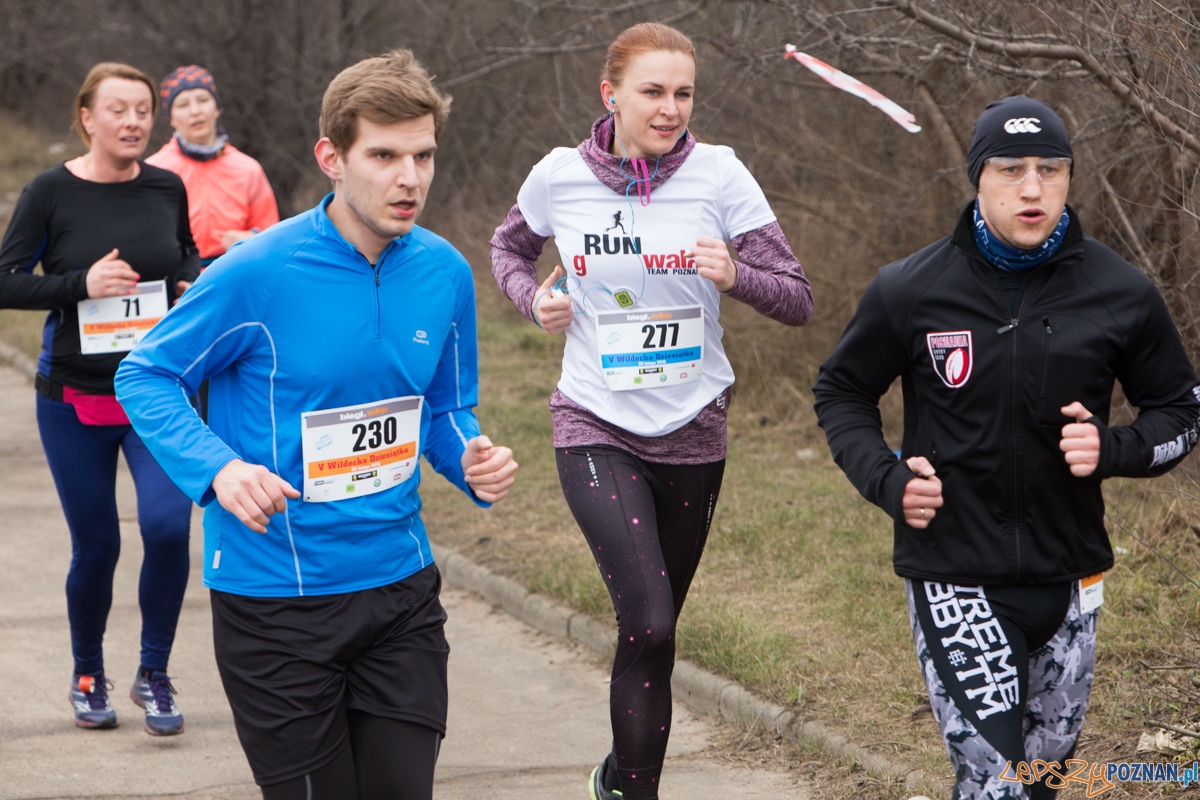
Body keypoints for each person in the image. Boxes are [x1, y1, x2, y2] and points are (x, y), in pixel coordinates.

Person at [116, 49, 517, 800]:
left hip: (400, 590)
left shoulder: (445, 273)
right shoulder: (255, 272)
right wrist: (218, 469)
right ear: (332, 157)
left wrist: (470, 458)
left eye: (424, 155)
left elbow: (443, 407)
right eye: (385, 155)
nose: (410, 178)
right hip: (277, 604)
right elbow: (146, 373)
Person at [813, 96, 1200, 800]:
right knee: (996, 785)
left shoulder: (1121, 292)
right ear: (977, 177)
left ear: (1069, 178)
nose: (1032, 188)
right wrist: (885, 478)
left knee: (1041, 785)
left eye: (1051, 169)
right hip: (953, 575)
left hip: (1071, 579)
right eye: (1010, 168)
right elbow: (841, 391)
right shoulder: (909, 290)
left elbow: (1181, 410)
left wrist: (1115, 448)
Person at [490, 22, 812, 800]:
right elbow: (506, 250)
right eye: (652, 92)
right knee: (652, 618)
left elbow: (798, 299)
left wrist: (736, 274)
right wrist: (536, 300)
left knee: (652, 637)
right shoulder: (561, 176)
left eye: (683, 93)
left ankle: (614, 774)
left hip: (695, 431)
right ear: (612, 95)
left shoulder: (721, 176)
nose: (670, 109)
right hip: (594, 424)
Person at [0, 62, 199, 735]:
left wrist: (188, 286)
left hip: (158, 392)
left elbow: (188, 256)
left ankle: (156, 673)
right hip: (75, 398)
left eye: (143, 110)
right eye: (118, 110)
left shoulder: (168, 186)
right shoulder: (49, 191)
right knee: (98, 545)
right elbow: (6, 281)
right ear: (87, 117)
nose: (134, 122)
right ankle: (88, 672)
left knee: (170, 529)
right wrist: (80, 283)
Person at [147, 65, 279, 267]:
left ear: (217, 108)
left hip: (234, 276)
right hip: (175, 283)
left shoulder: (248, 169)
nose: (195, 111)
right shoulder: (153, 170)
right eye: (183, 104)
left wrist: (251, 238)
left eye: (203, 100)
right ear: (171, 118)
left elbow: (273, 237)